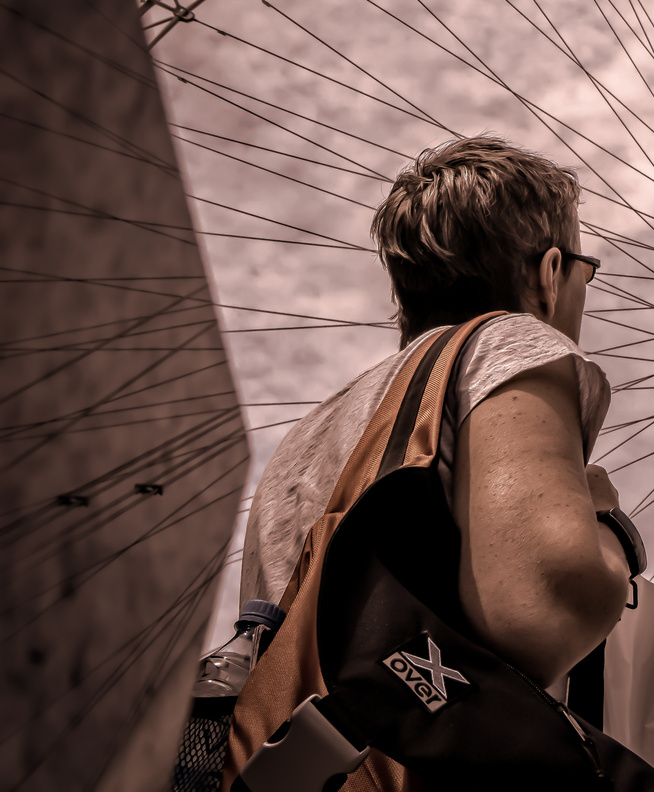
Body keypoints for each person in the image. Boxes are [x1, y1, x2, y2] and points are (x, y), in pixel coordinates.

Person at [239, 134, 630, 693]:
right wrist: (610, 530)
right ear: (548, 275)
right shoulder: (511, 343)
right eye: (583, 271)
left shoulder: (306, 437)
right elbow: (545, 611)